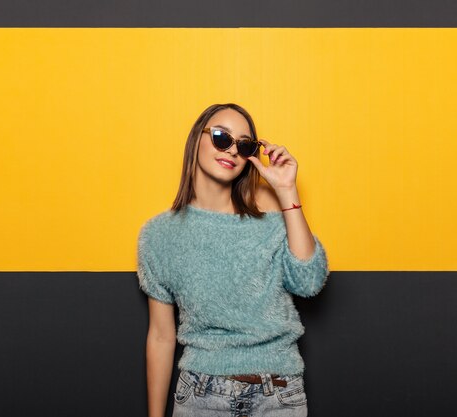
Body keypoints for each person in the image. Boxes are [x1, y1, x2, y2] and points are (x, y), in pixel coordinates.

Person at [137, 103, 330, 417]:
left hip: (278, 396)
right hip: (200, 397)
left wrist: (287, 191)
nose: (231, 151)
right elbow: (160, 336)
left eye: (244, 145)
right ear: (195, 140)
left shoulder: (270, 209)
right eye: (220, 137)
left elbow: (309, 282)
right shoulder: (159, 235)